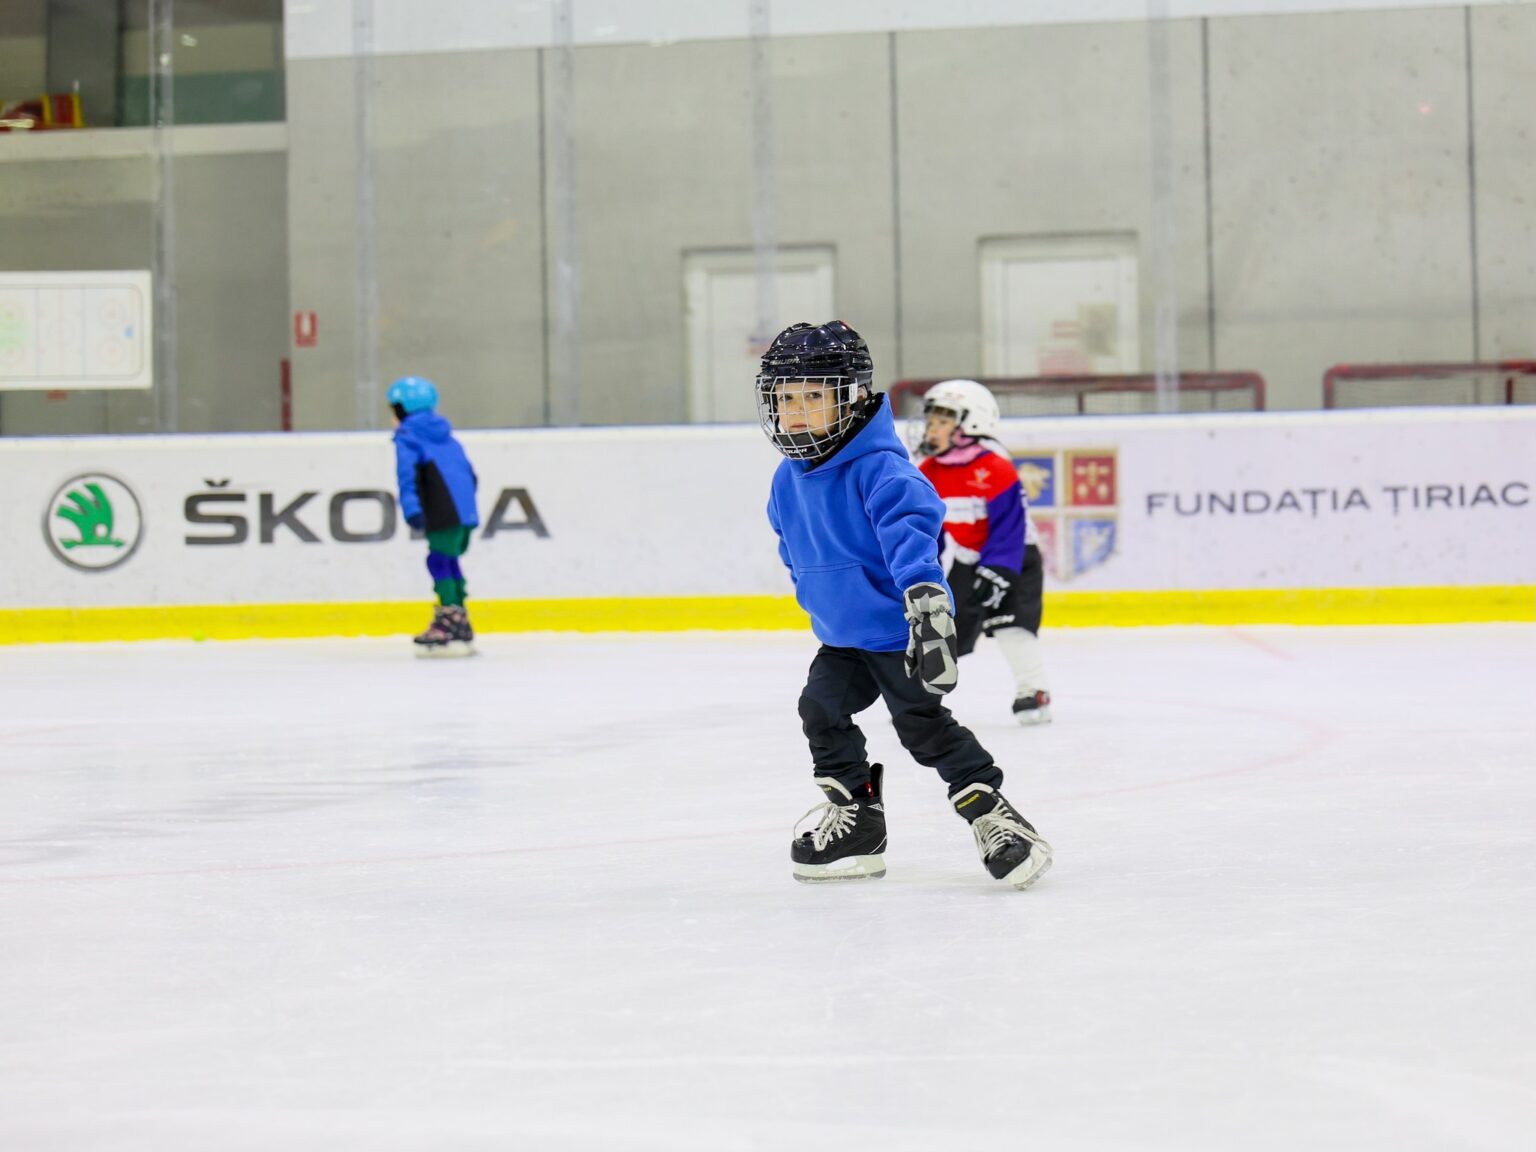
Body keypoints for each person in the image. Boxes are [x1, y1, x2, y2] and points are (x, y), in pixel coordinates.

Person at [759, 321, 1051, 890]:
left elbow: (912, 539)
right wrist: (819, 598)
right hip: (842, 640)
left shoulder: (883, 471)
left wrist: (927, 605)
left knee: (924, 730)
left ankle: (995, 816)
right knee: (819, 711)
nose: (796, 410)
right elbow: (791, 546)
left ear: (851, 399)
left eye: (813, 396)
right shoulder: (785, 479)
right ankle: (859, 823)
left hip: (899, 637)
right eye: (785, 397)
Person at [913, 379, 1052, 724]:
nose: (932, 428)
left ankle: (1032, 690)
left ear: (970, 425)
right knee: (945, 627)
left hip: (1015, 557)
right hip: (967, 558)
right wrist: (919, 567)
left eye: (943, 420)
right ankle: (919, 695)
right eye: (932, 419)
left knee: (1011, 625)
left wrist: (999, 571)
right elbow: (929, 529)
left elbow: (1010, 527)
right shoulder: (928, 471)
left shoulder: (996, 468)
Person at [388, 376, 479, 656]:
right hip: (464, 512)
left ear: (402, 409)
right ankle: (459, 617)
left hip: (441, 510)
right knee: (449, 560)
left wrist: (413, 510)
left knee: (438, 561)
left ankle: (449, 621)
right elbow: (470, 475)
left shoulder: (408, 438)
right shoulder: (448, 436)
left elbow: (407, 477)